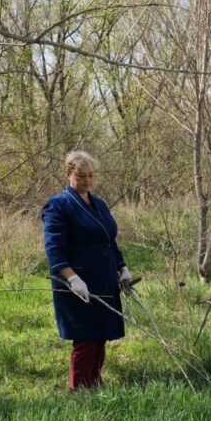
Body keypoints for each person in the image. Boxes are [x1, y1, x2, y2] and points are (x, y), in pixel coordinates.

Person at [42, 150, 133, 390]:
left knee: (102, 332)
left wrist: (122, 267)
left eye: (91, 176)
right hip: (77, 280)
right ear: (69, 174)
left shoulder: (99, 203)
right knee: (85, 336)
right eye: (82, 176)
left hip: (103, 277)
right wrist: (71, 278)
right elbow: (53, 248)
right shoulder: (58, 205)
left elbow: (108, 239)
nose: (87, 181)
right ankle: (79, 388)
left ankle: (95, 381)